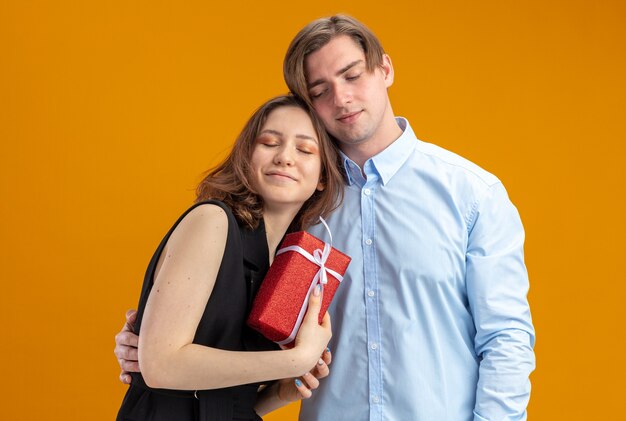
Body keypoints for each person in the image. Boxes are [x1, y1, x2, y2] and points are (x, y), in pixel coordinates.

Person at [116, 15, 536, 421]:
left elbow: (506, 340)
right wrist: (150, 345)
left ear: (385, 68)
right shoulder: (294, 202)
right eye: (320, 90)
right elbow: (223, 314)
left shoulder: (472, 195)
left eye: (352, 76)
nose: (342, 98)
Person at [115, 94, 346, 421]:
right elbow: (161, 366)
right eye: (269, 143)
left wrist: (279, 392)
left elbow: (226, 403)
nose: (284, 157)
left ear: (323, 176)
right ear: (246, 155)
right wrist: (296, 360)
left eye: (305, 150)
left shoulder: (284, 263)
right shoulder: (212, 221)